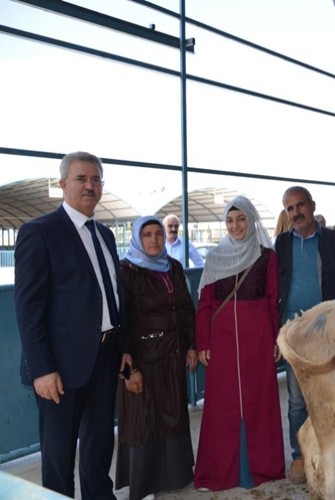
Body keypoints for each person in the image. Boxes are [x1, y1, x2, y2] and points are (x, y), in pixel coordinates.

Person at [15, 151, 132, 499]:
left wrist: (123, 348)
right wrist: (42, 370)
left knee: (98, 451)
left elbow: (113, 295)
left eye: (96, 179)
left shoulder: (106, 235)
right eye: (81, 179)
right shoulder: (39, 233)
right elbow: (28, 307)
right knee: (58, 458)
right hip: (59, 369)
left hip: (106, 357)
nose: (90, 185)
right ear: (63, 184)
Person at [193, 195, 284, 491]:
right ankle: (220, 473)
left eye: (241, 219)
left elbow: (273, 302)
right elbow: (205, 302)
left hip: (258, 337)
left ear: (251, 219)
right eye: (230, 221)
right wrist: (203, 341)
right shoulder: (215, 256)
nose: (236, 226)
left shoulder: (266, 257)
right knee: (222, 404)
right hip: (221, 339)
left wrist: (275, 339)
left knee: (260, 400)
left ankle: (263, 469)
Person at [275, 186, 335, 483]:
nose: (296, 212)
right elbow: (276, 291)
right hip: (293, 334)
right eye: (289, 208)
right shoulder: (281, 244)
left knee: (330, 397)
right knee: (297, 399)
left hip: (329, 332)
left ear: (312, 205)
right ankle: (300, 457)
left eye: (300, 205)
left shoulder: (333, 240)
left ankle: (331, 453)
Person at [115, 216, 198, 500]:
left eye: (158, 234)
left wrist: (190, 345)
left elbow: (186, 309)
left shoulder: (172, 267)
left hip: (172, 356)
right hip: (142, 361)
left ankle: (174, 476)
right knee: (144, 420)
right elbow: (122, 323)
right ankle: (145, 484)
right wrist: (130, 370)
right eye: (147, 235)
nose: (154, 240)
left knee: (173, 415)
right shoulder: (126, 271)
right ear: (138, 238)